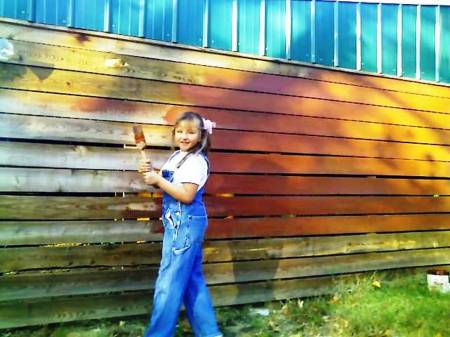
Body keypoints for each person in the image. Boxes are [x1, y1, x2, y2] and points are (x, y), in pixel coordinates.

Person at [139, 111, 222, 337]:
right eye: (180, 131)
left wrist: (159, 180)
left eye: (191, 132)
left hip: (184, 224)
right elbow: (170, 186)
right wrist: (153, 176)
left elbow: (186, 195)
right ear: (174, 133)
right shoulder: (177, 157)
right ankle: (210, 333)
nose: (184, 136)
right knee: (192, 281)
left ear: (201, 135)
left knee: (169, 281)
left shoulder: (195, 161)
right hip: (178, 222)